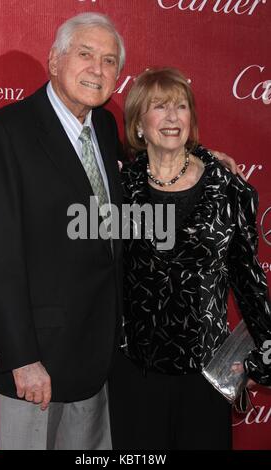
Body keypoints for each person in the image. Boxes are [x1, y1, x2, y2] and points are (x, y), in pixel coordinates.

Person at [0, 12, 125, 450]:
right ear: (55, 61)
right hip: (34, 367)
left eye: (110, 60)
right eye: (85, 54)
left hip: (96, 362)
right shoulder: (4, 134)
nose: (98, 68)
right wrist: (21, 359)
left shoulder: (107, 128)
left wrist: (210, 163)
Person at [108, 67, 271, 450]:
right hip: (135, 373)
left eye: (180, 107)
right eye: (159, 107)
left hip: (206, 374)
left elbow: (249, 282)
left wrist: (263, 356)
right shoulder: (121, 190)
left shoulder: (228, 188)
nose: (171, 116)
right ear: (139, 125)